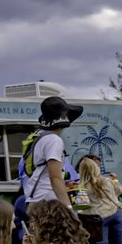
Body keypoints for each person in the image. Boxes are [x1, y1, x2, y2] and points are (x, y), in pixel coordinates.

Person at [17, 96, 81, 230]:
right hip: (49, 202)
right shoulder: (54, 140)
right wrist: (69, 209)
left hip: (35, 200)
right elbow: (55, 177)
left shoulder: (39, 136)